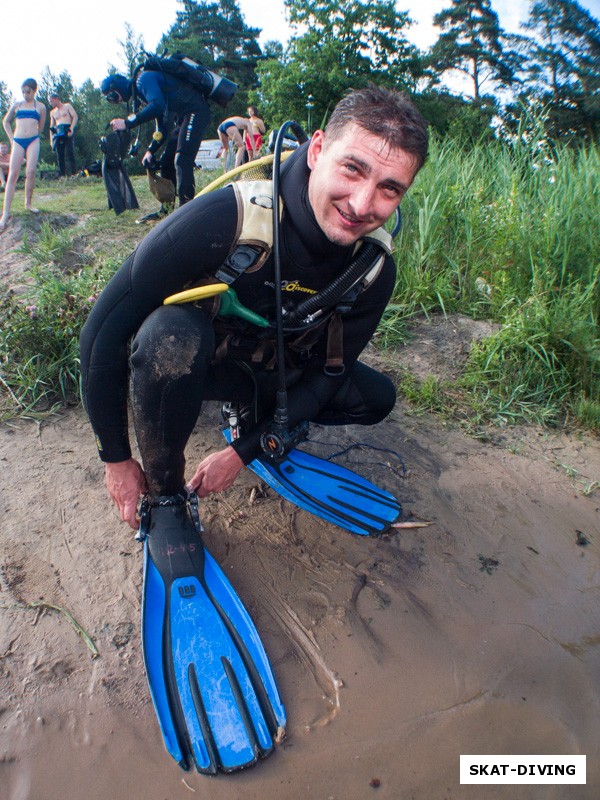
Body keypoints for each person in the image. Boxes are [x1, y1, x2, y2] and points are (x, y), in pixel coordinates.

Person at [80, 85, 429, 530]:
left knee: (376, 397)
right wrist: (115, 458)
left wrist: (244, 452)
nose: (361, 204)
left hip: (273, 370)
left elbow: (329, 376)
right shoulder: (223, 219)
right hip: (202, 363)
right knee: (169, 336)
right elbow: (102, 334)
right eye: (352, 169)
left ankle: (252, 421)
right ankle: (166, 496)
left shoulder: (372, 267)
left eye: (389, 188)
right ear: (317, 149)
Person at [101, 69, 210, 219]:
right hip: (184, 117)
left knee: (182, 159)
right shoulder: (142, 93)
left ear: (117, 87)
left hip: (195, 111)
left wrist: (127, 123)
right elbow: (162, 128)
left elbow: (157, 106)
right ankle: (167, 210)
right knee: (166, 161)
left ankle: (186, 214)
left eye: (111, 95)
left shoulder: (144, 80)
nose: (114, 100)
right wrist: (151, 150)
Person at [0, 79, 46, 231]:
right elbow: (5, 121)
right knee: (13, 174)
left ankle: (28, 203)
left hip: (33, 140)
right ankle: (5, 213)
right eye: (23, 92)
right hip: (18, 140)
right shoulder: (17, 105)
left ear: (34, 91)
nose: (26, 95)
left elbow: (41, 126)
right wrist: (12, 138)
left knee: (30, 172)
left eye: (28, 92)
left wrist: (33, 134)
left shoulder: (40, 107)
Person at [49, 93, 78, 177]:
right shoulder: (53, 112)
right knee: (60, 154)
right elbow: (51, 127)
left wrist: (71, 128)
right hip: (58, 131)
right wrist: (51, 139)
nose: (50, 103)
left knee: (70, 152)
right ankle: (62, 175)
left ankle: (73, 174)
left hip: (67, 129)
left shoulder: (67, 106)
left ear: (56, 99)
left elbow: (75, 117)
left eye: (51, 101)